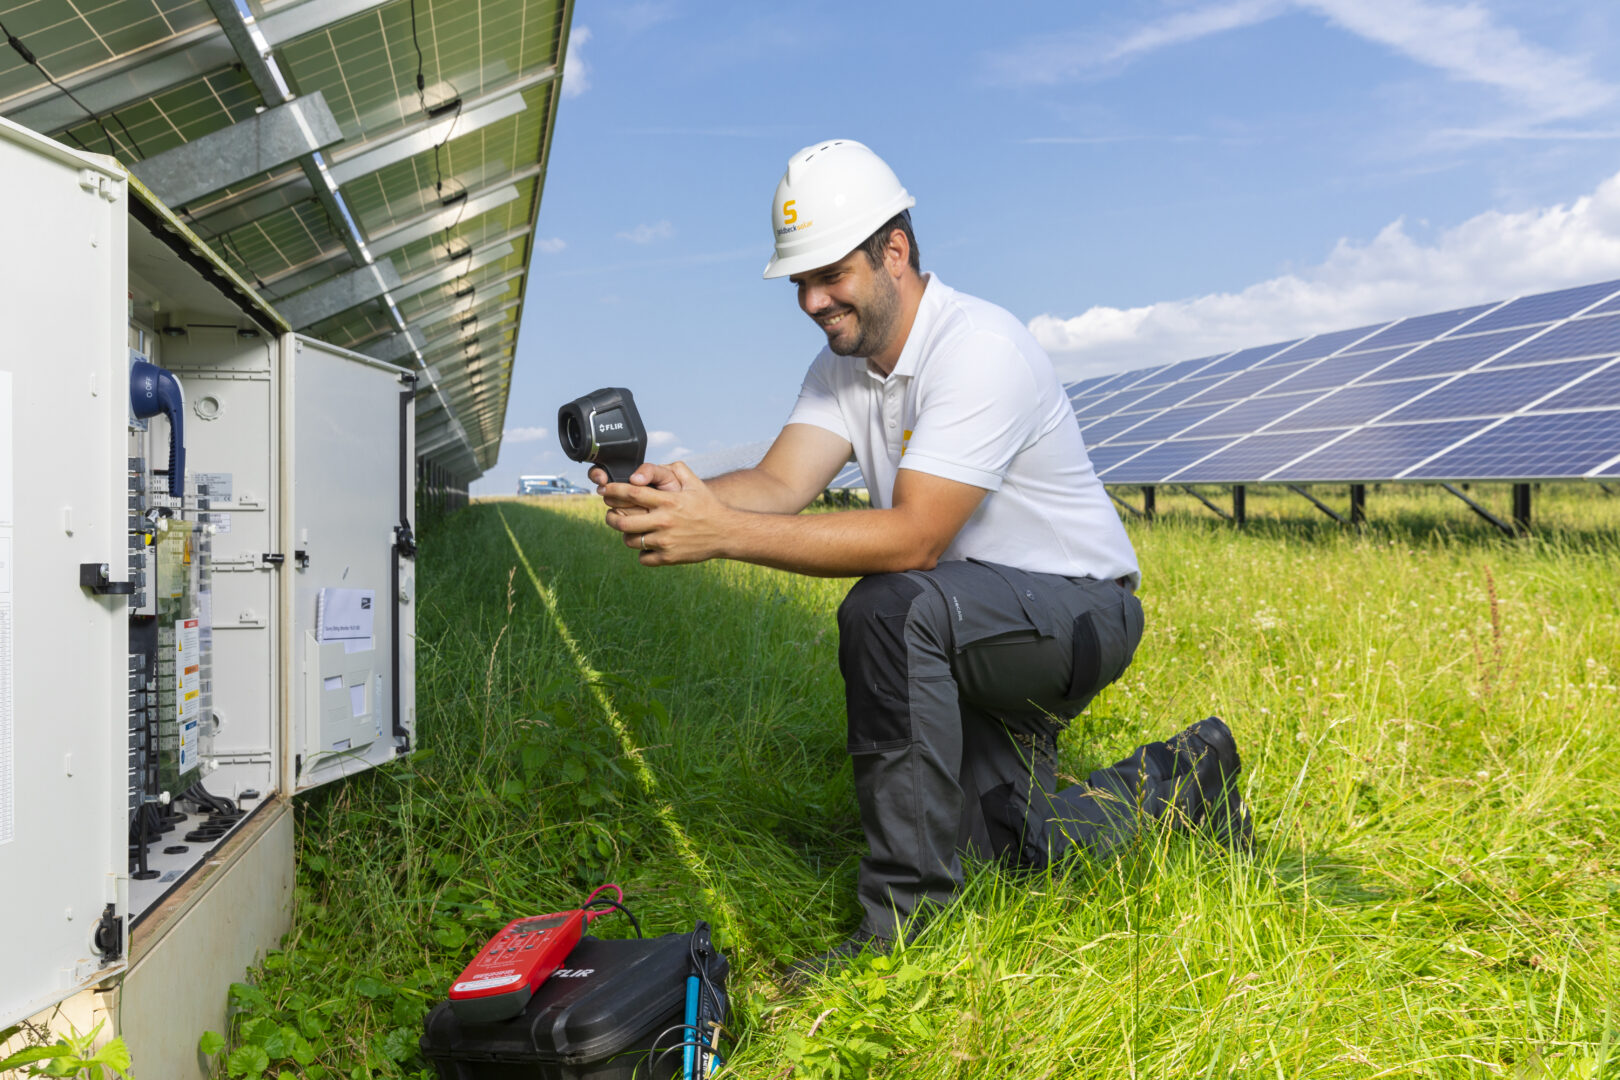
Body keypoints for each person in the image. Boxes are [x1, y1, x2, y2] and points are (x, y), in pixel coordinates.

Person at [590, 139, 1250, 973]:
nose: (811, 300)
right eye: (799, 281)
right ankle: (1189, 777)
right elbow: (777, 482)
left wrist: (721, 535)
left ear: (892, 251)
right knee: (1007, 851)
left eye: (829, 274)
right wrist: (680, 496)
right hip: (973, 620)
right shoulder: (845, 369)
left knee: (887, 604)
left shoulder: (979, 348)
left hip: (1074, 613)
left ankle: (901, 931)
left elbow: (915, 539)